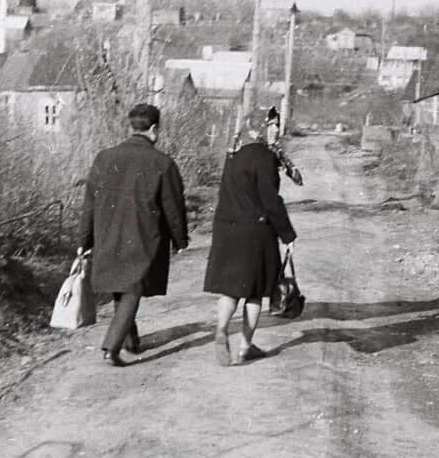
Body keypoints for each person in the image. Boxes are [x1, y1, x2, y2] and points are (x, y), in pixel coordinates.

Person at [78, 103, 189, 367]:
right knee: (133, 287)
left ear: (130, 127)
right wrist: (180, 240)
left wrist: (84, 240)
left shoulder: (104, 158)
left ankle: (130, 340)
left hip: (108, 233)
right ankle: (112, 347)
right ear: (154, 129)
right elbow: (173, 207)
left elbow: (89, 204)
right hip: (143, 236)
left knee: (123, 285)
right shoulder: (163, 163)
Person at [204, 111, 297, 366]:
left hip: (227, 230)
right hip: (256, 232)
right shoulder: (265, 157)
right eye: (271, 125)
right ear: (258, 130)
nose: (276, 129)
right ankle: (245, 347)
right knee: (255, 293)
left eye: (277, 125)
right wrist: (287, 234)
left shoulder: (233, 155)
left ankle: (222, 330)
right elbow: (271, 201)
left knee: (230, 290)